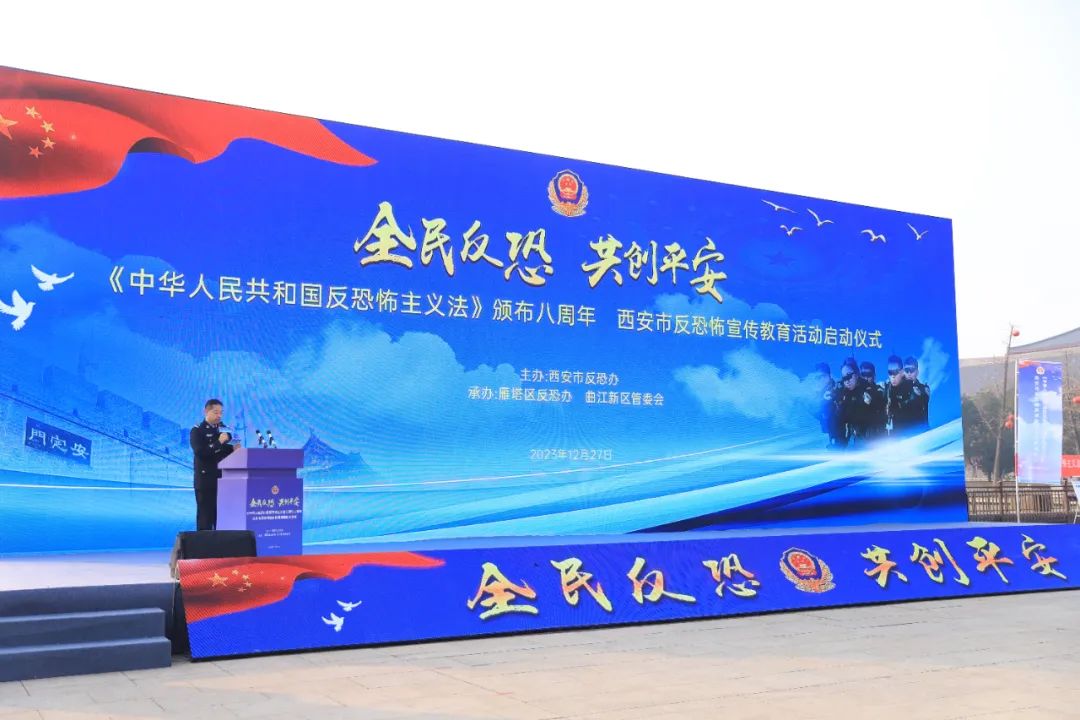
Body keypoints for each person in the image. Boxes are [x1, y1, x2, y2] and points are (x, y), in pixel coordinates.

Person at [190, 398, 236, 531]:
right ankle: (204, 544)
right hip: (205, 481)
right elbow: (200, 452)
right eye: (216, 412)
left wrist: (236, 449)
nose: (219, 416)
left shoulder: (225, 430)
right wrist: (218, 442)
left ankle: (221, 543)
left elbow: (229, 451)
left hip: (223, 479)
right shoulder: (197, 430)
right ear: (206, 411)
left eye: (221, 413)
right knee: (205, 517)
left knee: (221, 517)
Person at [903, 356, 931, 431]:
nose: (909, 373)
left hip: (922, 432)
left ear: (917, 372)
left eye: (912, 370)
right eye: (906, 370)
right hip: (902, 434)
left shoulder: (923, 388)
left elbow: (924, 401)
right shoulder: (896, 389)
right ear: (903, 372)